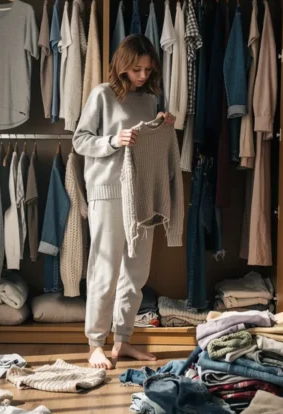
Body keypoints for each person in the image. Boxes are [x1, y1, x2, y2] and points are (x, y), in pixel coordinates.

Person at [73, 34, 176, 369]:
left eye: (147, 69)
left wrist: (163, 124)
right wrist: (113, 140)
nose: (143, 75)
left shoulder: (149, 100)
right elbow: (79, 141)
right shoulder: (102, 95)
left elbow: (148, 145)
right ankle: (95, 344)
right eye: (136, 69)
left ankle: (123, 340)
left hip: (141, 195)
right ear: (122, 66)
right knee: (104, 269)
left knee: (136, 272)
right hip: (107, 192)